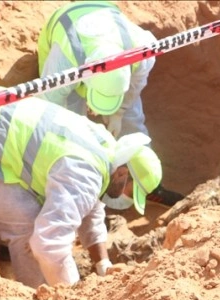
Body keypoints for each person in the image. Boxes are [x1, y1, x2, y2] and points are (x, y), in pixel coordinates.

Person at [0, 86, 163, 288]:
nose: (126, 199)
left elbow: (91, 207)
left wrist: (103, 263)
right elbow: (49, 245)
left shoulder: (104, 148)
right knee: (28, 226)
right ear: (122, 173)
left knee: (42, 215)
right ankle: (36, 298)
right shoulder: (84, 173)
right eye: (130, 192)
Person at [37, 0, 184, 208]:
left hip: (105, 20)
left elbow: (134, 86)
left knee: (133, 121)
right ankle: (81, 193)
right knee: (71, 131)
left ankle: (147, 184)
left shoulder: (141, 50)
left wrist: (120, 112)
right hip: (65, 26)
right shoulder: (64, 61)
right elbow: (49, 110)